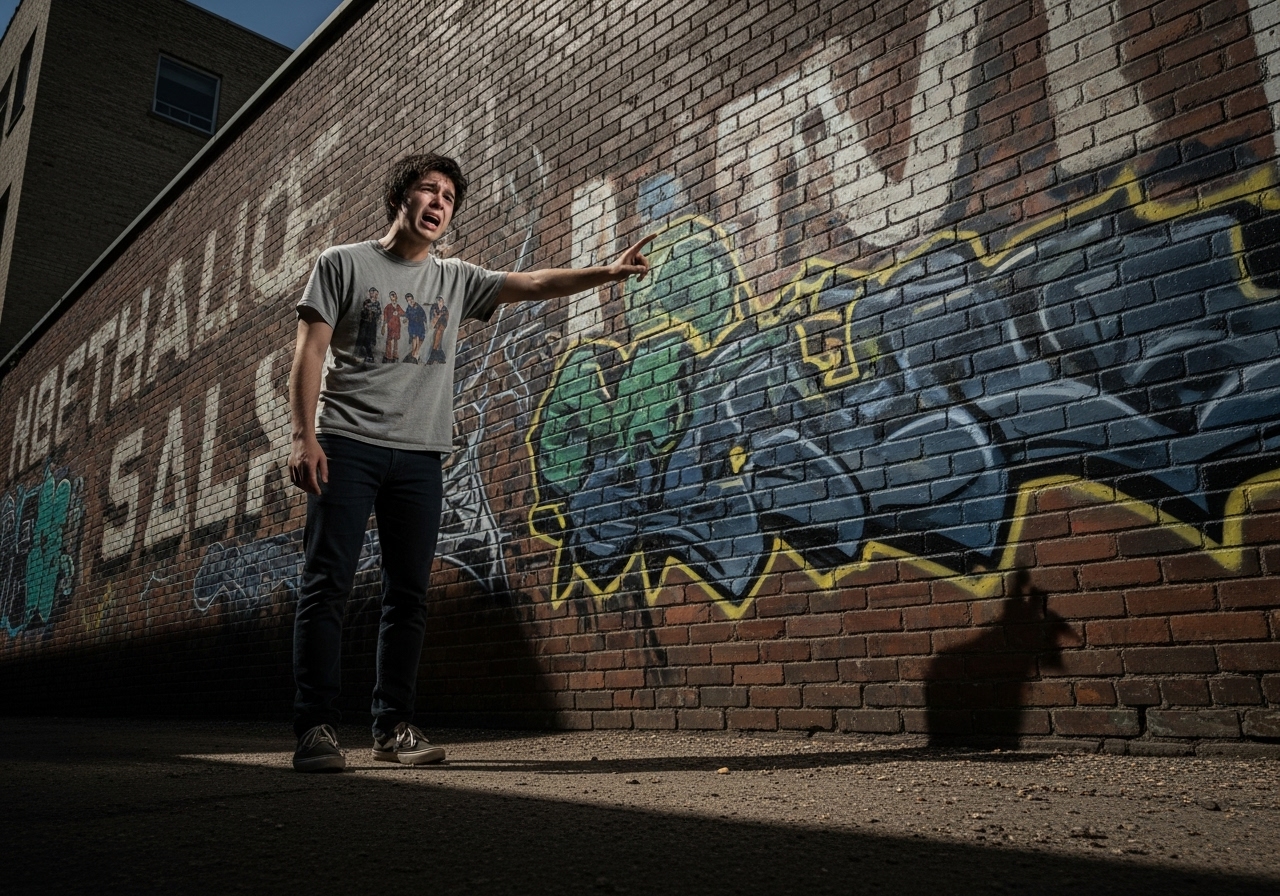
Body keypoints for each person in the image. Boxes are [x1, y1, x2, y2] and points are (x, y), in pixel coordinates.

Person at [287, 152, 653, 772]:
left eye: (449, 197)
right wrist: (303, 437)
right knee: (328, 584)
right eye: (428, 191)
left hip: (422, 456)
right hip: (347, 444)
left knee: (409, 595)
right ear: (400, 196)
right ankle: (315, 727)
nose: (438, 204)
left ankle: (393, 726)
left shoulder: (455, 279)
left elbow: (533, 282)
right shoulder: (343, 264)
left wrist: (608, 273)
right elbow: (310, 353)